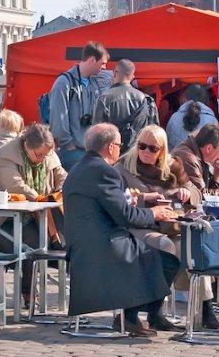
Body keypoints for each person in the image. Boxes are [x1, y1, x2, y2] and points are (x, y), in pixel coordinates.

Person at [62, 122, 180, 337]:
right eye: (118, 144)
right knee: (166, 257)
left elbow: (111, 203)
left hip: (83, 243)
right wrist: (154, 214)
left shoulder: (80, 167)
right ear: (109, 147)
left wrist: (142, 198)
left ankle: (144, 315)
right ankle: (133, 316)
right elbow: (125, 216)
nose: (120, 148)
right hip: (103, 245)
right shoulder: (105, 171)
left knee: (155, 252)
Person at [115, 124, 216, 329]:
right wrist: (143, 198)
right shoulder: (123, 167)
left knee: (192, 249)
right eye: (142, 146)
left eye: (153, 148)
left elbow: (195, 191)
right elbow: (118, 200)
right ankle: (155, 310)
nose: (146, 152)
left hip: (171, 225)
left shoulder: (173, 166)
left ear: (162, 151)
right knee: (165, 247)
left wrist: (187, 193)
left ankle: (206, 307)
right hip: (139, 226)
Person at [0, 122, 67, 305]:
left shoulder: (47, 152)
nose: (42, 159)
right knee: (14, 242)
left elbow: (61, 174)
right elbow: (16, 185)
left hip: (36, 218)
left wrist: (61, 189)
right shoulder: (7, 154)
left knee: (36, 240)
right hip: (2, 219)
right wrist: (39, 198)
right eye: (39, 155)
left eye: (46, 155)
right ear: (27, 146)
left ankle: (29, 290)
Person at [48, 40, 112, 170]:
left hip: (89, 150)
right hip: (72, 151)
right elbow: (58, 117)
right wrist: (68, 144)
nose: (104, 68)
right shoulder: (64, 83)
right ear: (93, 59)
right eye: (103, 63)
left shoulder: (94, 83)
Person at [93, 59, 158, 148]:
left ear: (115, 73)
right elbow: (154, 132)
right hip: (136, 152)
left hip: (111, 151)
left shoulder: (103, 98)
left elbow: (97, 133)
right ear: (132, 77)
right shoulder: (145, 100)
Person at [165, 83, 217, 150]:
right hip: (203, 160)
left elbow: (168, 144)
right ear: (206, 99)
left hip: (177, 158)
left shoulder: (174, 118)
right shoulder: (212, 120)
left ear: (186, 98)